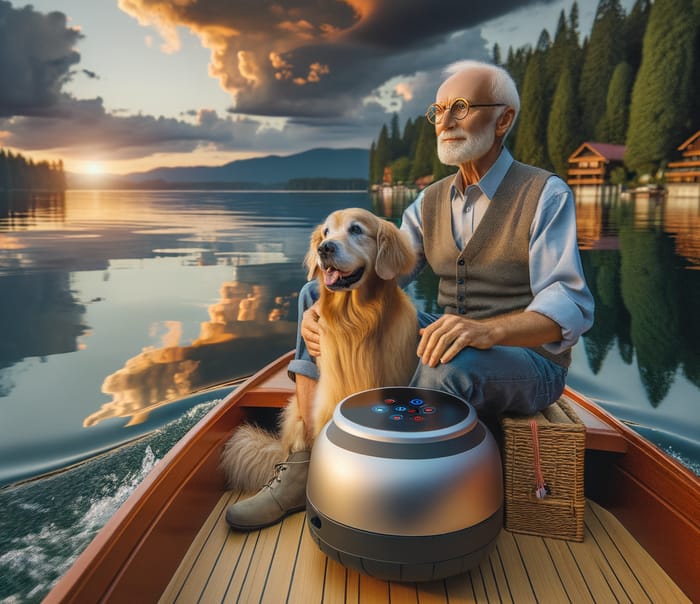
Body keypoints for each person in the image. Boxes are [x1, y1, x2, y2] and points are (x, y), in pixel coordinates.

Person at [226, 59, 594, 531]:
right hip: (446, 338)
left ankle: (388, 494)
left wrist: (486, 330)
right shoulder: (430, 200)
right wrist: (323, 303)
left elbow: (572, 305)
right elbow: (388, 266)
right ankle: (304, 463)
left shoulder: (546, 194)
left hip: (529, 359)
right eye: (438, 110)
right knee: (310, 293)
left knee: (446, 367)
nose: (445, 120)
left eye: (460, 107)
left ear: (504, 119)